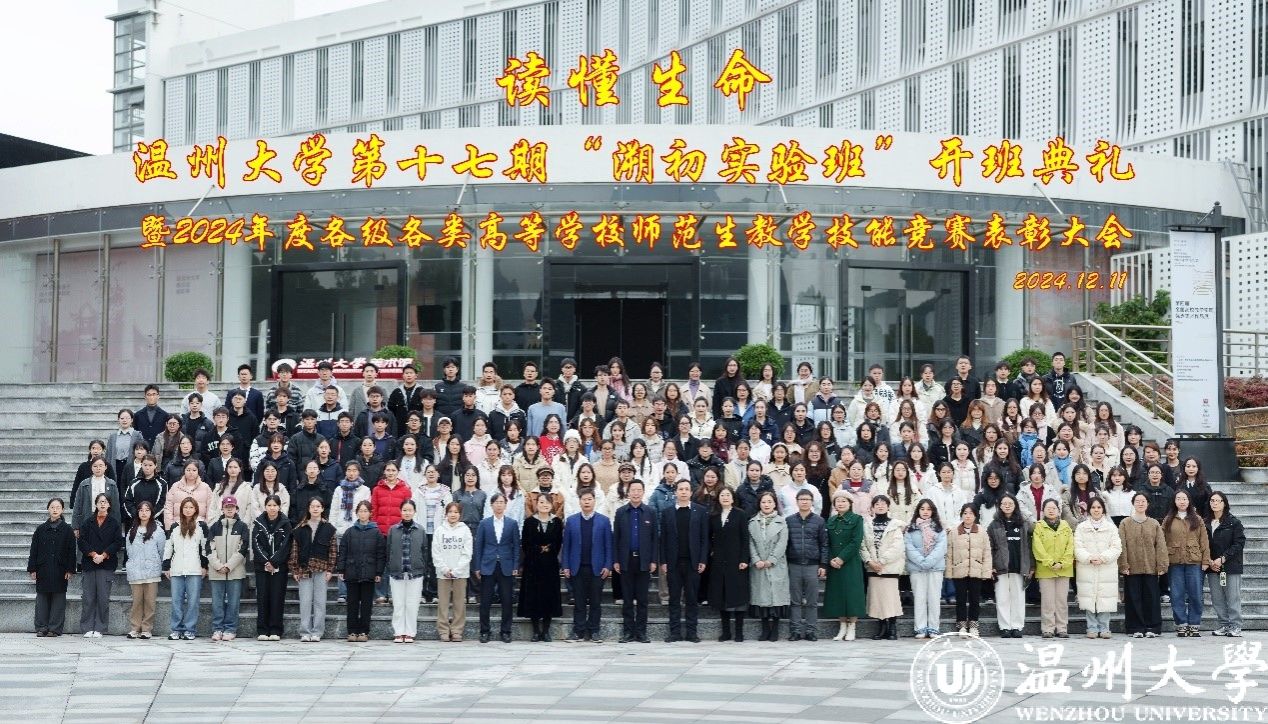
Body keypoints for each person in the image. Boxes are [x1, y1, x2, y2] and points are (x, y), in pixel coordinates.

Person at [660, 479, 709, 642]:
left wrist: (703, 560)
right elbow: (663, 539)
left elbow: (704, 538)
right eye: (680, 489)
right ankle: (674, 632)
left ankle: (691, 632)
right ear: (676, 492)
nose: (683, 492)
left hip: (693, 562)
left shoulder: (700, 511)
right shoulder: (667, 512)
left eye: (686, 489)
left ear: (691, 492)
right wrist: (663, 561)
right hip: (673, 563)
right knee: (674, 599)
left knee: (692, 599)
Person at [562, 489, 614, 643]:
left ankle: (594, 631)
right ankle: (578, 631)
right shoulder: (571, 521)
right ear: (579, 501)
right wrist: (566, 565)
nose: (587, 502)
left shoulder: (604, 521)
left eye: (589, 499)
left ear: (594, 501)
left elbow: (608, 545)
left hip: (597, 568)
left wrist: (608, 565)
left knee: (596, 602)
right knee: (579, 601)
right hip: (577, 567)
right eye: (584, 499)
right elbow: (566, 546)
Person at [613, 479, 659, 644]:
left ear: (643, 492)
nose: (636, 493)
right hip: (626, 561)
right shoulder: (620, 512)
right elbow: (616, 538)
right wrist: (616, 560)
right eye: (633, 490)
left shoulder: (650, 512)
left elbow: (655, 538)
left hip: (643, 561)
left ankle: (641, 632)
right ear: (628, 492)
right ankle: (628, 632)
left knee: (642, 600)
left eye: (639, 490)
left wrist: (653, 560)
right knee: (627, 600)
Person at [1119, 492, 1168, 638]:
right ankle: (1135, 628)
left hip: (1150, 567)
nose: (1140, 503)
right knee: (1133, 599)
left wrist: (1162, 565)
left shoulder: (1154, 523)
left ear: (1148, 504)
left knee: (1151, 598)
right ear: (1133, 504)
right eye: (1137, 501)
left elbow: (1161, 545)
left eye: (1143, 501)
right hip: (1131, 568)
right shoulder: (1125, 523)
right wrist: (1123, 564)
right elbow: (1122, 545)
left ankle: (1153, 627)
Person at [1162, 489, 1211, 636]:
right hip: (1174, 561)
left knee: (1195, 594)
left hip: (1194, 561)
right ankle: (1181, 624)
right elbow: (1162, 541)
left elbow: (1204, 541)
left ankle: (1194, 624)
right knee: (1177, 594)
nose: (1182, 501)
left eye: (1184, 498)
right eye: (1179, 498)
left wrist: (1205, 560)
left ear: (1189, 501)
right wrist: (1163, 561)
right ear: (1174, 501)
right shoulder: (1168, 519)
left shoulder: (1197, 519)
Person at [289, 497, 338, 642]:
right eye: (312, 506)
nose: (315, 509)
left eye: (318, 506)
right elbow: (294, 550)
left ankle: (317, 632)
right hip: (304, 569)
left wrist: (330, 569)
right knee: (305, 602)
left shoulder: (329, 529)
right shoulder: (300, 528)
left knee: (320, 602)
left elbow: (333, 551)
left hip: (322, 569)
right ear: (308, 509)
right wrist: (295, 569)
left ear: (322, 508)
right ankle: (305, 631)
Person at [336, 500, 385, 642]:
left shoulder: (376, 532)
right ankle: (352, 631)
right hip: (352, 572)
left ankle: (364, 631)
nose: (363, 514)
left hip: (369, 573)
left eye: (365, 511)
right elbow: (343, 552)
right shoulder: (349, 532)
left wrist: (378, 572)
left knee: (366, 605)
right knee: (352, 604)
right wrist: (341, 569)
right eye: (360, 511)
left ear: (370, 513)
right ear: (356, 513)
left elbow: (381, 554)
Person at [28, 498, 77, 637]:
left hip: (60, 569)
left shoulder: (67, 530)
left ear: (62, 510)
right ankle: (41, 627)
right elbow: (34, 550)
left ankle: (54, 628)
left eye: (58, 507)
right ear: (48, 509)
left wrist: (70, 569)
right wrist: (32, 569)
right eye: (52, 507)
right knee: (42, 599)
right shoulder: (40, 529)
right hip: (43, 568)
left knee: (59, 599)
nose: (55, 510)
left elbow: (71, 551)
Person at [1074, 497, 1121, 639]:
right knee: (1089, 598)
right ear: (1089, 510)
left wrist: (1103, 557)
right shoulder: (1081, 527)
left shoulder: (1111, 527)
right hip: (1087, 567)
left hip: (1106, 568)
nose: (1096, 510)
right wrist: (1089, 557)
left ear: (1103, 510)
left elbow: (1116, 548)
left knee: (1104, 598)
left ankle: (1105, 627)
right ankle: (1092, 628)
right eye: (1093, 507)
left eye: (1099, 507)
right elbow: (1077, 547)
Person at [475, 493, 520, 643]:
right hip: (488, 565)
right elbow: (478, 546)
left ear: (505, 505)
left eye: (502, 502)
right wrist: (477, 566)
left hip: (506, 565)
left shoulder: (512, 523)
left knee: (507, 600)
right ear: (492, 505)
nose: (499, 505)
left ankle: (506, 631)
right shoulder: (484, 523)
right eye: (496, 502)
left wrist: (515, 565)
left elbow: (516, 546)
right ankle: (484, 631)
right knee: (485, 601)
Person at [707, 487, 751, 642]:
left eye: (728, 495)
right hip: (719, 561)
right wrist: (711, 552)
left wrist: (744, 559)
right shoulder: (713, 516)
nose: (725, 497)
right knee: (722, 596)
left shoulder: (740, 514)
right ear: (718, 498)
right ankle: (726, 632)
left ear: (733, 498)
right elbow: (708, 537)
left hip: (736, 560)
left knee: (738, 596)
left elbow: (745, 538)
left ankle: (739, 632)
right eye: (722, 495)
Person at [519, 493, 563, 642]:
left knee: (548, 596)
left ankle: (546, 630)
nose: (544, 505)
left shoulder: (556, 522)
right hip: (533, 564)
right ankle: (536, 631)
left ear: (552, 505)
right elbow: (525, 543)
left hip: (550, 564)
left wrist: (548, 549)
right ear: (536, 504)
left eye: (547, 503)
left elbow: (558, 542)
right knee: (534, 596)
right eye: (541, 502)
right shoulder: (529, 522)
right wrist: (538, 549)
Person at [784, 489, 828, 641]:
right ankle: (795, 631)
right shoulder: (789, 521)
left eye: (807, 499)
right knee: (795, 601)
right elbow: (786, 544)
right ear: (797, 502)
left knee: (812, 601)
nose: (804, 502)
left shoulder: (819, 521)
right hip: (794, 564)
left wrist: (823, 564)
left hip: (812, 566)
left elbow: (824, 544)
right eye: (801, 499)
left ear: (812, 502)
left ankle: (811, 631)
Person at [78, 493, 123, 638]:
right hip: (90, 563)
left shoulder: (114, 523)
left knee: (103, 598)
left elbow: (117, 542)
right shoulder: (87, 522)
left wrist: (104, 555)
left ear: (109, 505)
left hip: (106, 564)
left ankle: (100, 628)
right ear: (96, 504)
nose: (102, 504)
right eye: (100, 502)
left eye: (105, 502)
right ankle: (87, 627)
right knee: (88, 597)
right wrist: (93, 554)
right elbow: (82, 541)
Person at [386, 500, 431, 643]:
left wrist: (423, 567)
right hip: (396, 572)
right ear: (400, 511)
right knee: (398, 603)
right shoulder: (393, 530)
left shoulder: (420, 530)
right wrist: (390, 565)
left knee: (412, 604)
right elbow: (388, 550)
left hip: (415, 572)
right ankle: (399, 632)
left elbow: (425, 551)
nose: (407, 513)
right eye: (404, 510)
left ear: (414, 512)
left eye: (410, 510)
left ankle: (410, 632)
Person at [164, 498, 209, 640]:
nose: (188, 510)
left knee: (193, 601)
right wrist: (166, 566)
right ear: (181, 509)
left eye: (191, 507)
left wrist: (204, 566)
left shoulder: (201, 526)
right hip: (177, 568)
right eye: (185, 507)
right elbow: (168, 547)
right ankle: (176, 629)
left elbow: (204, 548)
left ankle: (190, 629)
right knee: (176, 601)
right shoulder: (174, 526)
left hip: (194, 569)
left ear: (196, 509)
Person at [747, 490, 790, 641]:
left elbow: (782, 543)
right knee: (762, 597)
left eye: (769, 502)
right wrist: (756, 559)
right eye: (763, 502)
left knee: (776, 597)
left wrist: (771, 560)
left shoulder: (782, 522)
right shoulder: (752, 522)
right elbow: (750, 543)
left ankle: (775, 629)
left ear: (775, 504)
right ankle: (765, 629)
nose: (766, 504)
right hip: (758, 565)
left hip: (776, 564)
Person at [823, 492, 866, 641]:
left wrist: (841, 558)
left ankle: (852, 626)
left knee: (852, 594)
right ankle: (842, 626)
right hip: (834, 562)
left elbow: (856, 541)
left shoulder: (857, 519)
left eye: (843, 501)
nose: (840, 504)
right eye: (838, 501)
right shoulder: (831, 520)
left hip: (850, 561)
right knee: (838, 594)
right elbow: (827, 542)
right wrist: (831, 559)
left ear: (850, 503)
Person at [988, 494, 1032, 638]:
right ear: (1000, 506)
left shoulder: (1023, 524)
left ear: (1015, 505)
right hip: (1000, 567)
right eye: (1004, 503)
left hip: (1019, 566)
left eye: (1010, 503)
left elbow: (1029, 546)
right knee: (1002, 598)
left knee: (1018, 598)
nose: (1007, 506)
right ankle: (1005, 627)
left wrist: (1031, 566)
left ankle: (1017, 626)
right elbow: (989, 547)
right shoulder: (994, 525)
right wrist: (991, 565)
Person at [945, 503, 992, 637]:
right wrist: (949, 572)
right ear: (961, 515)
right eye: (965, 513)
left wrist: (986, 571)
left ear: (975, 516)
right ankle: (961, 626)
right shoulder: (954, 532)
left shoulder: (982, 531)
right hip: (959, 570)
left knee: (974, 600)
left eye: (971, 513)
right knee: (960, 600)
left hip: (976, 570)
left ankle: (973, 625)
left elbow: (987, 553)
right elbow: (949, 553)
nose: (968, 516)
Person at [370, 461, 413, 603]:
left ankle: (394, 592)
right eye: (388, 470)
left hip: (398, 531)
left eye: (393, 470)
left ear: (398, 472)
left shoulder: (405, 490)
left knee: (396, 563)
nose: (390, 473)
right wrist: (374, 527)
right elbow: (374, 510)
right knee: (381, 563)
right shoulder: (377, 489)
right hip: (380, 531)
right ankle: (380, 594)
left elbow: (408, 510)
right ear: (384, 472)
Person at [1032, 498, 1075, 638]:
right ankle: (1048, 628)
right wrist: (1050, 562)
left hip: (1064, 569)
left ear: (1059, 510)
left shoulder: (1066, 526)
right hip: (1045, 570)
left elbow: (1070, 546)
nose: (1051, 510)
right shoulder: (1039, 526)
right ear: (1043, 511)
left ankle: (1062, 628)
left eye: (1054, 508)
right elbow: (1037, 547)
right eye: (1048, 508)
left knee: (1062, 601)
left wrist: (1063, 563)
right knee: (1048, 601)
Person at [905, 499, 947, 639]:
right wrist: (921, 562)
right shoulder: (911, 529)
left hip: (935, 568)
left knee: (934, 598)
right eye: (922, 509)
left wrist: (928, 562)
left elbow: (941, 547)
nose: (925, 512)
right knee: (919, 598)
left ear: (933, 511)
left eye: (928, 509)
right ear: (918, 511)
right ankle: (920, 628)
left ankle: (934, 627)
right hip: (917, 568)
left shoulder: (939, 528)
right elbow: (909, 547)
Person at [253, 494, 292, 641]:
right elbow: (256, 544)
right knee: (262, 597)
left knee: (277, 597)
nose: (272, 508)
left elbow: (285, 545)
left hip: (279, 567)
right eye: (269, 505)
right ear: (265, 507)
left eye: (275, 505)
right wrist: (266, 561)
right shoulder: (258, 523)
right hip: (261, 567)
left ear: (279, 507)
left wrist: (274, 562)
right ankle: (262, 630)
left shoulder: (285, 523)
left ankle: (276, 629)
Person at [1206, 492, 1245, 637]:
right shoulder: (1206, 522)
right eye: (1212, 500)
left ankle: (1235, 626)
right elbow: (1203, 544)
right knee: (1217, 597)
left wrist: (1223, 558)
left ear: (1224, 503)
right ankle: (1224, 624)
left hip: (1229, 567)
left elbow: (1239, 543)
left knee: (1232, 596)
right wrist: (1210, 560)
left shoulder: (1233, 522)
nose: (1215, 503)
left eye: (1218, 501)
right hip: (1213, 568)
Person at [73, 457, 122, 532]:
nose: (98, 468)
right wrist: (75, 527)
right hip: (88, 519)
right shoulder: (84, 484)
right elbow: (77, 506)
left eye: (101, 466)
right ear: (91, 467)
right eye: (95, 466)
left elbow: (116, 507)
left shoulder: (111, 484)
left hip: (107, 520)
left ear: (105, 467)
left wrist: (117, 527)